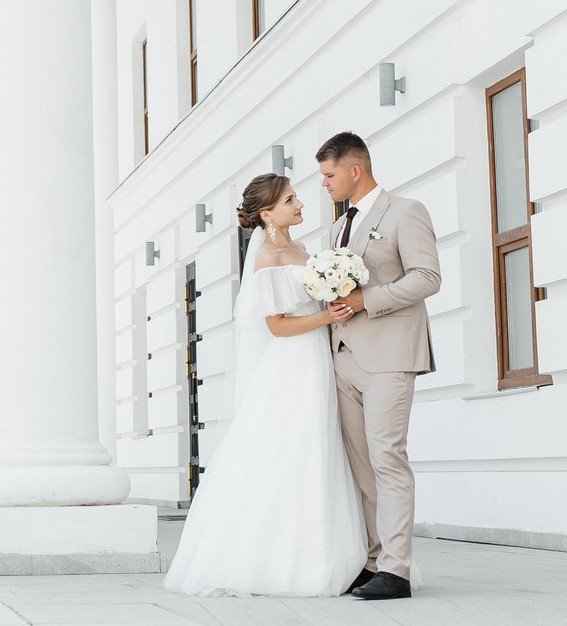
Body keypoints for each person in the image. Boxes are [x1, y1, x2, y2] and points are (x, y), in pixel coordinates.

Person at [164, 173, 368, 597]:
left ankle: (327, 551)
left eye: (296, 197)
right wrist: (327, 317)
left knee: (320, 447)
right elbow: (276, 325)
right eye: (290, 200)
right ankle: (279, 559)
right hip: (292, 362)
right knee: (293, 445)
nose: (299, 204)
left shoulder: (302, 249)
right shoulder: (269, 256)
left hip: (317, 358)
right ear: (267, 213)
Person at [317, 132, 441, 601]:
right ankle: (373, 563)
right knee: (361, 466)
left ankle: (397, 569)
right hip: (342, 357)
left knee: (388, 459)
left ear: (355, 170)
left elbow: (427, 278)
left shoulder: (406, 212)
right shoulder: (334, 229)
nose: (324, 184)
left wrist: (365, 300)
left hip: (390, 357)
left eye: (329, 175)